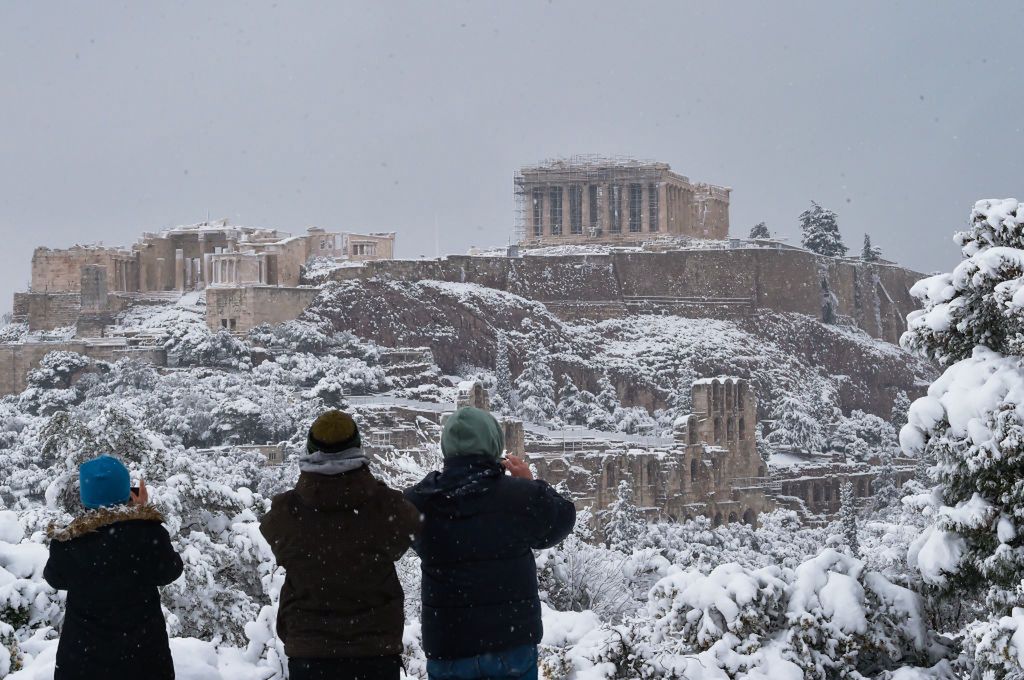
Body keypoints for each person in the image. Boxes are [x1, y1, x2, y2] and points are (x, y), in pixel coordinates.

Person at [405, 407, 576, 680]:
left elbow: (390, 538)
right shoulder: (519, 497)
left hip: (449, 645)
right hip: (510, 644)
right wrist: (532, 484)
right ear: (494, 444)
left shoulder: (419, 501)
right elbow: (562, 520)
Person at [261, 410, 422, 680]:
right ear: (356, 448)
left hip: (310, 651)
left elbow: (277, 539)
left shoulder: (285, 513)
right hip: (375, 651)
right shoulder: (388, 507)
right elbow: (407, 533)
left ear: (311, 450)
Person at [44, 454, 183, 680]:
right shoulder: (148, 535)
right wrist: (141, 515)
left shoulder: (68, 542)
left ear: (86, 498)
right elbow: (171, 570)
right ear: (127, 492)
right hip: (144, 661)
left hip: (82, 663)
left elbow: (54, 577)